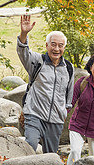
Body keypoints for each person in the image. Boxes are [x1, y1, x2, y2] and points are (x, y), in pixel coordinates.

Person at [17, 15, 74, 153]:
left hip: (56, 119)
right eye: (53, 44)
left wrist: (63, 112)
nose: (56, 49)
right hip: (34, 113)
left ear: (64, 48)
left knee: (51, 155)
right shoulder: (37, 61)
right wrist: (24, 33)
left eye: (60, 45)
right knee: (30, 145)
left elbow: (69, 95)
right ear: (47, 45)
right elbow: (23, 52)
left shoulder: (68, 67)